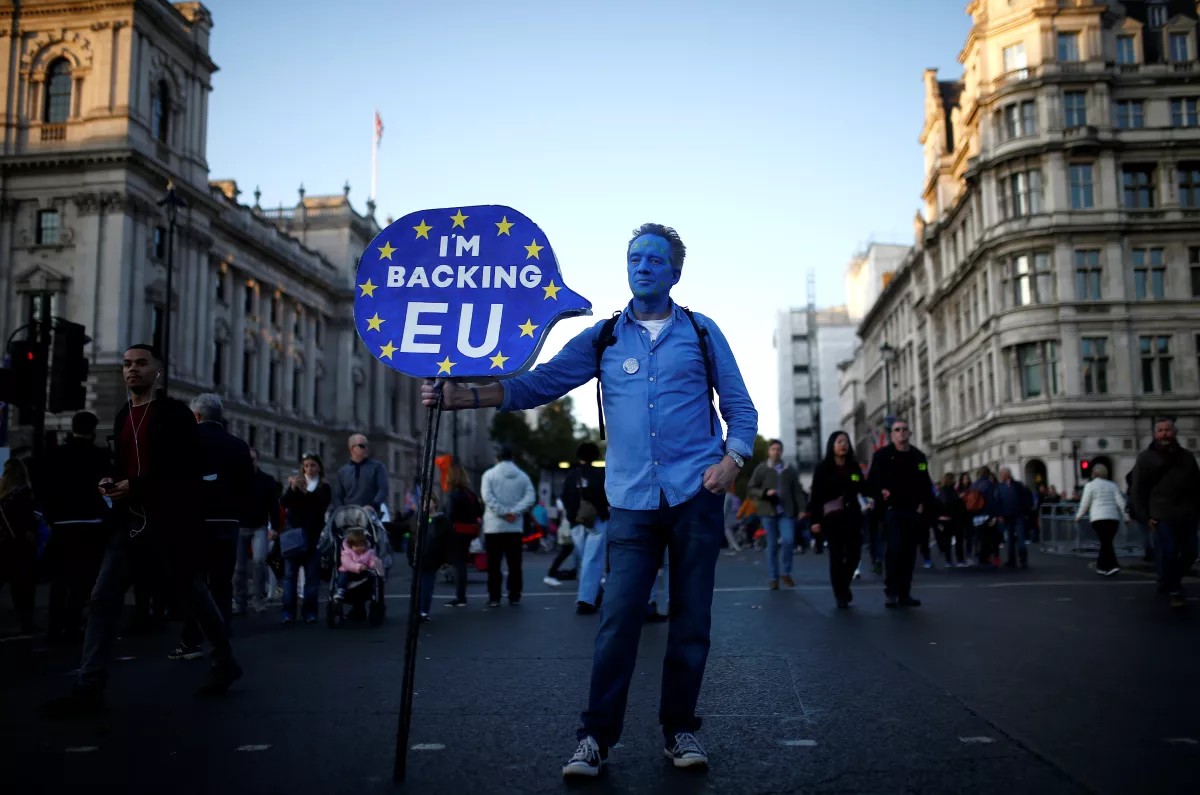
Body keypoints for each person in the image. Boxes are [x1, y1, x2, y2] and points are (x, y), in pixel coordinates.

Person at [422, 222, 757, 776]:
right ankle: (596, 737)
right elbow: (542, 382)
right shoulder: (604, 338)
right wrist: (466, 396)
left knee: (691, 620)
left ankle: (680, 731)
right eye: (634, 258)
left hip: (696, 495)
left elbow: (740, 408)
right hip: (629, 502)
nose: (642, 266)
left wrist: (732, 461)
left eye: (654, 259)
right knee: (618, 618)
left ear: (674, 272)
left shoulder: (701, 332)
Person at [47, 344, 241, 717]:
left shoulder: (174, 415)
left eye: (140, 364)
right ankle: (89, 686)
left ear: (158, 371)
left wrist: (136, 485)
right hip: (130, 522)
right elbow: (123, 464)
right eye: (126, 365)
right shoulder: (122, 416)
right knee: (103, 596)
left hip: (170, 523)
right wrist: (112, 480)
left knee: (194, 594)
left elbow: (187, 469)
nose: (131, 370)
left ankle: (225, 658)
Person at [171, 394, 255, 662]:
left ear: (196, 416)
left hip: (193, 522)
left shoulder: (185, 441)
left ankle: (191, 641)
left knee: (194, 583)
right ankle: (221, 639)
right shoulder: (240, 446)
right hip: (228, 523)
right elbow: (247, 489)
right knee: (222, 583)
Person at [40, 411, 113, 643]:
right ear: (92, 430)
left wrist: (50, 517)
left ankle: (54, 628)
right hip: (90, 524)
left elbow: (45, 490)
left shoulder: (55, 455)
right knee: (83, 578)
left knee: (60, 579)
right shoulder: (99, 457)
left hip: (62, 524)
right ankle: (72, 624)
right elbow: (107, 491)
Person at [1131, 418, 1200, 609]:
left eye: (1167, 430)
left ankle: (1168, 580)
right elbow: (1138, 490)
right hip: (1161, 514)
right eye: (1160, 430)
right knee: (1168, 553)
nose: (1164, 434)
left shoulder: (1186, 457)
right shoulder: (1145, 458)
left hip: (1187, 514)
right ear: (1155, 434)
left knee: (1191, 553)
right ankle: (1175, 589)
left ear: (1174, 433)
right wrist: (1145, 517)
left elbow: (1196, 485)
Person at [866, 418, 934, 607]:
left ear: (909, 433)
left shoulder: (918, 457)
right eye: (897, 430)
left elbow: (925, 482)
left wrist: (925, 505)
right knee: (895, 549)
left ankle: (905, 592)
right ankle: (891, 591)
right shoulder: (883, 456)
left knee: (909, 552)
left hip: (912, 510)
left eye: (904, 429)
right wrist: (881, 492)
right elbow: (871, 483)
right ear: (892, 434)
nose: (901, 433)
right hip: (892, 510)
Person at [809, 432, 866, 608]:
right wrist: (815, 520)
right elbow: (816, 495)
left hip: (852, 516)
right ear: (832, 445)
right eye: (839, 442)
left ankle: (843, 585)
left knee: (854, 555)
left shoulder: (853, 467)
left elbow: (862, 486)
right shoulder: (823, 468)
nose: (843, 445)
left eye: (846, 442)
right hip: (832, 517)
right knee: (837, 555)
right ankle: (840, 594)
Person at [555, 442, 610, 614]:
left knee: (585, 559)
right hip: (597, 521)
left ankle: (593, 593)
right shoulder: (601, 474)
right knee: (592, 560)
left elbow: (564, 497)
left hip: (576, 522)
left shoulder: (572, 476)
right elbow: (607, 496)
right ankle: (586, 600)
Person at [479, 445, 536, 607]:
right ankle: (514, 595)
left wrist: (503, 512)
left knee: (494, 564)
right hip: (514, 526)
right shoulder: (523, 476)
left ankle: (494, 596)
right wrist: (515, 512)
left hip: (493, 527)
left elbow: (487, 497)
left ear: (497, 458)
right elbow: (530, 497)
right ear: (513, 458)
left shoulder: (488, 475)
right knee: (514, 564)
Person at [280, 452, 333, 622]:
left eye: (313, 465)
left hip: (313, 536)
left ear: (319, 468)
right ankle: (288, 611)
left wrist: (304, 492)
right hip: (294, 535)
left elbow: (319, 505)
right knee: (290, 577)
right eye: (306, 466)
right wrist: (295, 489)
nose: (309, 469)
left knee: (311, 577)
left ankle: (310, 611)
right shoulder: (296, 484)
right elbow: (284, 502)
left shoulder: (324, 487)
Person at [746, 439, 804, 589]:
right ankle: (774, 577)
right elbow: (751, 488)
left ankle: (786, 573)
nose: (776, 452)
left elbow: (797, 491)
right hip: (768, 511)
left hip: (786, 511)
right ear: (769, 451)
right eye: (773, 449)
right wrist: (765, 492)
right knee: (771, 545)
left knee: (788, 540)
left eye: (778, 449)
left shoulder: (789, 469)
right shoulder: (762, 469)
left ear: (782, 451)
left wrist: (802, 509)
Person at [233, 447, 281, 615]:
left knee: (259, 562)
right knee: (239, 567)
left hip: (259, 526)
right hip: (240, 527)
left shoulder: (267, 480)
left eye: (252, 459)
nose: (249, 462)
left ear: (257, 461)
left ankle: (258, 599)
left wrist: (274, 528)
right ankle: (240, 601)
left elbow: (274, 506)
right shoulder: (237, 480)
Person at [0, 458, 39, 635]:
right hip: (21, 546)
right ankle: (26, 622)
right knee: (23, 588)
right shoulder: (24, 493)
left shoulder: (3, 496)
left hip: (3, 545)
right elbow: (26, 521)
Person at [1075, 463, 1127, 577]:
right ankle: (1104, 566)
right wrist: (1126, 517)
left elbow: (1085, 504)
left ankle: (1109, 566)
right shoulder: (1112, 485)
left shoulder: (1090, 486)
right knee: (1107, 542)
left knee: (1105, 542)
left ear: (1094, 474)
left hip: (1098, 518)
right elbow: (1121, 502)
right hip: (1113, 518)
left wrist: (1078, 516)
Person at [405, 494, 450, 622]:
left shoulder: (441, 520)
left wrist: (446, 559)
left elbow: (447, 541)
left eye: (427, 502)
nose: (424, 505)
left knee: (427, 586)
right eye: (422, 503)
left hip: (432, 559)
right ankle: (417, 610)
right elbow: (406, 529)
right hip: (417, 558)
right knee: (417, 586)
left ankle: (424, 610)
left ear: (435, 504)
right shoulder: (416, 518)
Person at [443, 465, 483, 608]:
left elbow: (450, 514)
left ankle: (460, 597)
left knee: (458, 564)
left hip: (456, 532)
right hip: (469, 532)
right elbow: (479, 512)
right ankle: (462, 595)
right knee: (462, 564)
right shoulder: (470, 494)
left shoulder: (454, 494)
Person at [332, 434, 388, 512]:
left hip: (371, 515)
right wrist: (341, 510)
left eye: (367, 445)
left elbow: (383, 490)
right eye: (362, 446)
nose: (366, 448)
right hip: (348, 516)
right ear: (352, 449)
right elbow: (337, 496)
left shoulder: (377, 467)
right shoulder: (342, 471)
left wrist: (373, 505)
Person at [996, 467, 1033, 570]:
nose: (1000, 476)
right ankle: (1011, 560)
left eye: (1001, 474)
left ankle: (1023, 560)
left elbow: (1025, 499)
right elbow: (998, 501)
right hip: (1007, 517)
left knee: (1021, 539)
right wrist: (1000, 515)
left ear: (1007, 474)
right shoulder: (1000, 486)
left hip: (1018, 516)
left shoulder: (1017, 485)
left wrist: (1026, 512)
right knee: (1010, 540)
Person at [933, 473, 967, 567]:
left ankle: (949, 560)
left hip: (948, 519)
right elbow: (948, 503)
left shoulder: (943, 491)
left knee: (948, 540)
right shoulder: (949, 491)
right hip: (953, 519)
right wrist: (959, 499)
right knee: (957, 540)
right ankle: (959, 560)